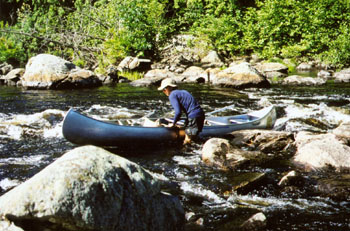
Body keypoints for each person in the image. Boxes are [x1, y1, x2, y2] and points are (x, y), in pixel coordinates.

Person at [158, 78, 205, 144]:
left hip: (193, 116)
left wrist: (173, 124)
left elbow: (178, 112)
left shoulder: (172, 95)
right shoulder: (184, 92)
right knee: (194, 138)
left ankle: (187, 153)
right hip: (200, 115)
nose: (164, 92)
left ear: (169, 88)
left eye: (164, 89)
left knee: (187, 140)